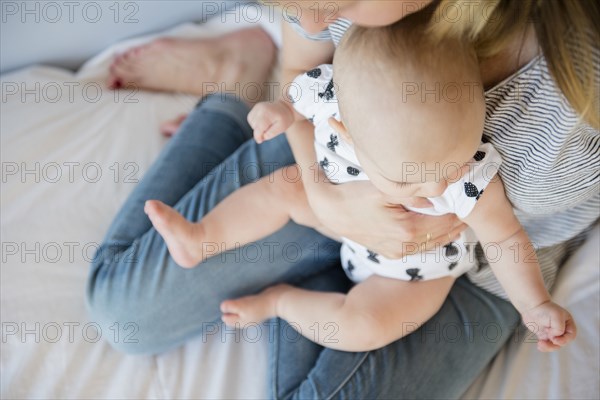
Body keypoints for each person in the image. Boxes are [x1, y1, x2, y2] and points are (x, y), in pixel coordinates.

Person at [89, 0, 599, 397]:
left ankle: (285, 298)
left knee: (364, 325)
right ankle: (229, 96)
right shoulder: (342, 79)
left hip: (431, 266)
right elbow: (299, 90)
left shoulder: (469, 176)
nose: (308, 18)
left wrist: (537, 305)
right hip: (334, 179)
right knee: (124, 317)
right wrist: (315, 180)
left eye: (338, 2)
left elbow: (506, 236)